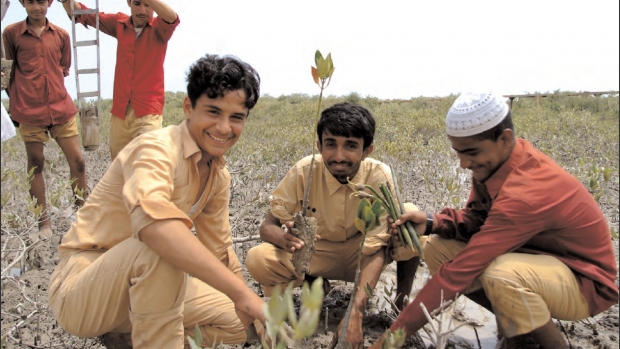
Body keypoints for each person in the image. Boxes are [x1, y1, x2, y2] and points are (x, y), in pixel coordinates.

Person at [48, 54, 266, 348]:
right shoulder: (156, 147)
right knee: (160, 247)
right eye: (213, 112)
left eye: (236, 117)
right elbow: (155, 228)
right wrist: (242, 294)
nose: (224, 128)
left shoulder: (217, 175)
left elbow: (219, 250)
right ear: (188, 107)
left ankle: (131, 338)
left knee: (241, 324)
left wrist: (245, 299)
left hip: (147, 285)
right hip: (83, 289)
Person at [369, 92, 619, 349]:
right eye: (458, 152)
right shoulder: (498, 161)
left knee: (502, 275)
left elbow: (459, 273)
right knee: (437, 248)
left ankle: (547, 343)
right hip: (534, 260)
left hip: (584, 282)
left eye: (471, 152)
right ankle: (521, 329)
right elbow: (478, 218)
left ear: (505, 138)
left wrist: (389, 341)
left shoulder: (526, 191)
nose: (464, 163)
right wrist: (432, 222)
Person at [246, 103, 422, 349]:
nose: (338, 156)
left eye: (350, 146)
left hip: (362, 256)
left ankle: (400, 304)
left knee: (410, 217)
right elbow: (267, 226)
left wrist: (355, 314)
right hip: (317, 254)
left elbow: (376, 246)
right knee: (257, 258)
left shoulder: (379, 175)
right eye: (330, 144)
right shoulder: (304, 171)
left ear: (367, 149)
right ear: (319, 146)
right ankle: (315, 286)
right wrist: (282, 238)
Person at [3, 0, 88, 240]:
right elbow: (7, 71)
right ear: (23, 3)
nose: (36, 7)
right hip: (29, 110)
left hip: (61, 108)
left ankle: (84, 216)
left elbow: (63, 68)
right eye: (30, 1)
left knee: (78, 161)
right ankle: (44, 224)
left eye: (41, 1)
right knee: (36, 163)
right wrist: (19, 99)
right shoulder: (11, 34)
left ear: (49, 2)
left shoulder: (61, 36)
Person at [60, 0, 179, 160]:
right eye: (137, 3)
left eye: (148, 5)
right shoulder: (119, 23)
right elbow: (84, 14)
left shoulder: (159, 28)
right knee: (119, 167)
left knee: (148, 164)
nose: (143, 10)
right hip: (120, 112)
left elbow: (172, 17)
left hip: (147, 111)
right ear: (129, 3)